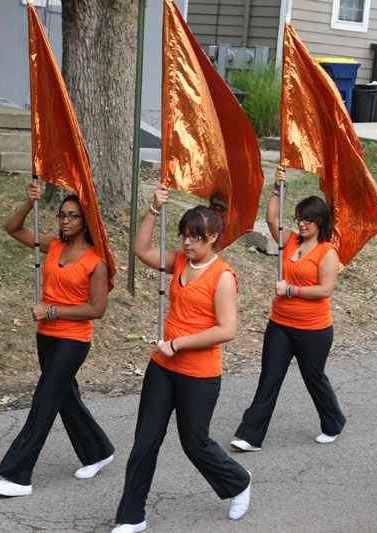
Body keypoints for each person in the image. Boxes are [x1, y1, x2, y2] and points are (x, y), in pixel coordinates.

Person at [112, 185, 251, 533]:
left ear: (214, 237)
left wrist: (179, 344)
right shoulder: (179, 262)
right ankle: (131, 516)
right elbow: (141, 248)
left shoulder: (223, 277)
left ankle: (238, 482)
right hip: (162, 367)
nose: (187, 243)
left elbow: (227, 330)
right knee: (146, 440)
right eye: (184, 236)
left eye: (195, 237)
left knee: (195, 444)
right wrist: (154, 210)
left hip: (199, 374)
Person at [0, 181, 114, 497]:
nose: (65, 221)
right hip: (46, 337)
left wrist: (53, 311)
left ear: (86, 222)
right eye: (61, 215)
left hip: (73, 341)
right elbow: (13, 229)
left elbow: (96, 309)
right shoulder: (53, 246)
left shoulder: (95, 261)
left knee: (45, 400)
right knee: (65, 398)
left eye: (72, 216)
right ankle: (98, 450)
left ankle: (18, 475)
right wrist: (29, 203)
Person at [231, 166, 346, 452]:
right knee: (269, 377)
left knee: (313, 378)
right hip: (280, 323)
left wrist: (291, 290)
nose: (303, 225)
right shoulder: (290, 240)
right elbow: (271, 218)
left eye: (308, 220)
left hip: (314, 330)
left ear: (320, 222)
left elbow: (324, 290)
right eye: (299, 219)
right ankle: (251, 436)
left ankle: (333, 422)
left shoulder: (327, 252)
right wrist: (277, 187)